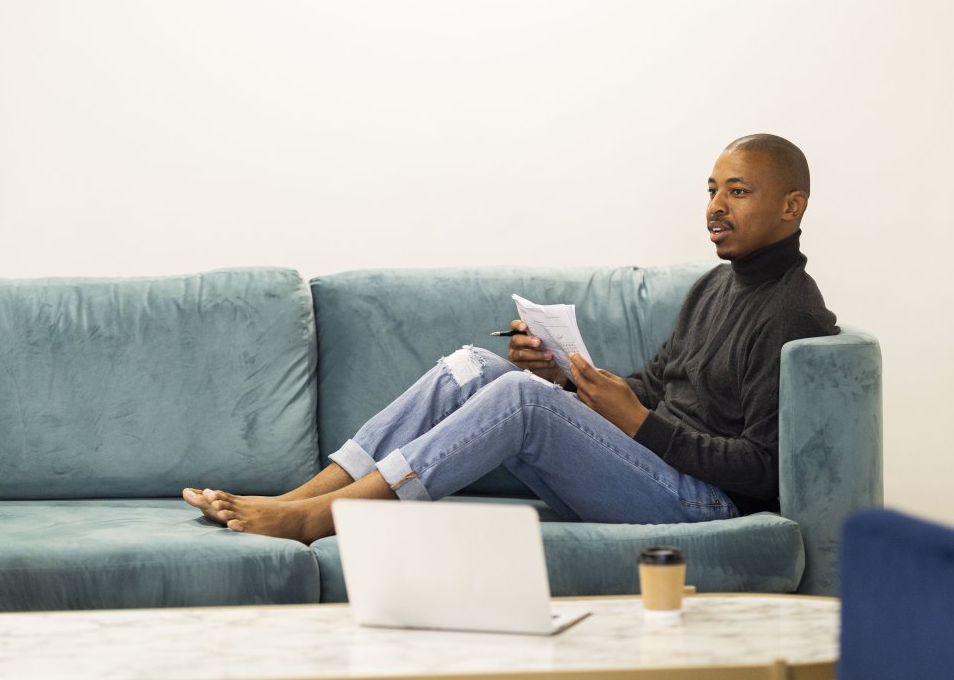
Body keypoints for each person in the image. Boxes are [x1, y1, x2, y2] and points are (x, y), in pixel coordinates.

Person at [183, 133, 838, 543]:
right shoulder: (712, 287)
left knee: (521, 401)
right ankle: (300, 497)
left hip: (702, 502)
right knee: (472, 367)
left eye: (738, 192)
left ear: (792, 206)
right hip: (655, 467)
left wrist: (639, 424)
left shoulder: (792, 315)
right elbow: (653, 388)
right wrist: (565, 378)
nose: (715, 207)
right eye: (712, 190)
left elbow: (761, 468)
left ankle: (322, 520)